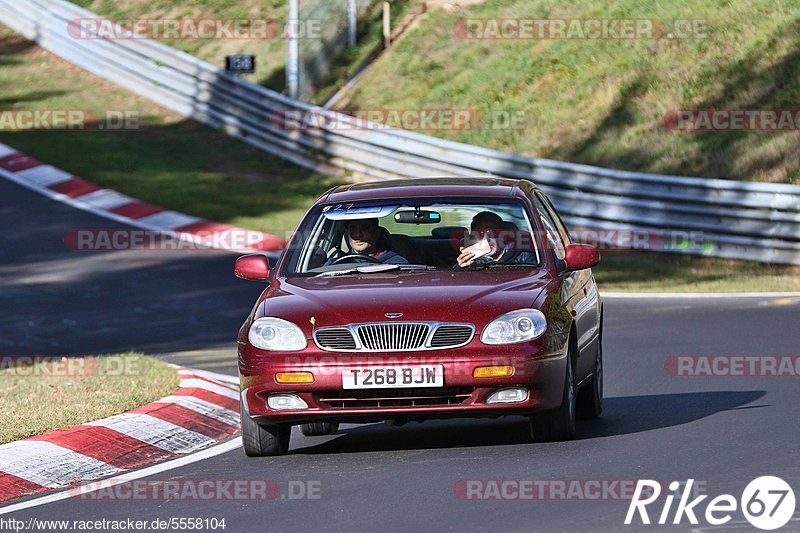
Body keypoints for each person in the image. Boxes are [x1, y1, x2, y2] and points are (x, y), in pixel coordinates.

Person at [455, 211, 537, 268]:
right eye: (480, 233)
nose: (486, 238)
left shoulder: (524, 259)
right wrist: (461, 267)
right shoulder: (472, 262)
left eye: (491, 232)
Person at [324, 218, 409, 265]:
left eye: (364, 228)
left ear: (377, 232)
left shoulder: (398, 264)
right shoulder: (334, 265)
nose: (357, 235)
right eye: (353, 229)